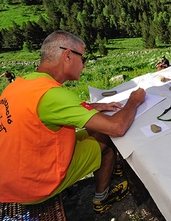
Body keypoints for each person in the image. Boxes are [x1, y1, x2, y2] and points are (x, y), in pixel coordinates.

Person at [0, 30, 146, 214]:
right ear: (68, 55)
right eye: (83, 58)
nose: (84, 64)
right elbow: (118, 127)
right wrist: (134, 101)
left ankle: (112, 170)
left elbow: (41, 112)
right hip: (33, 185)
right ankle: (103, 198)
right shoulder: (53, 95)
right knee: (108, 137)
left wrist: (90, 106)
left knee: (95, 130)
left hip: (11, 176)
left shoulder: (21, 84)